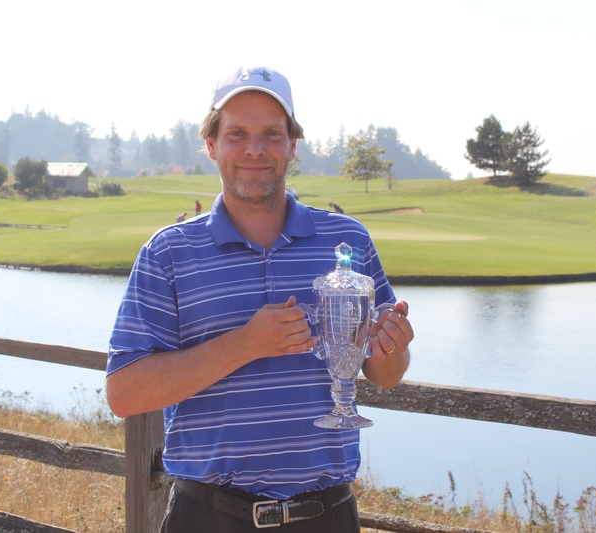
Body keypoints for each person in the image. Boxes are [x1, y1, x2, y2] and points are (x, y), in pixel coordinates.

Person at [106, 66, 413, 532]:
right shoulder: (167, 253)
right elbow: (124, 393)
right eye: (237, 134)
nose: (254, 149)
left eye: (272, 133)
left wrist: (394, 346)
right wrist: (244, 344)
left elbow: (384, 374)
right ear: (211, 145)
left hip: (327, 516)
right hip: (207, 517)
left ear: (293, 145)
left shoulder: (347, 241)